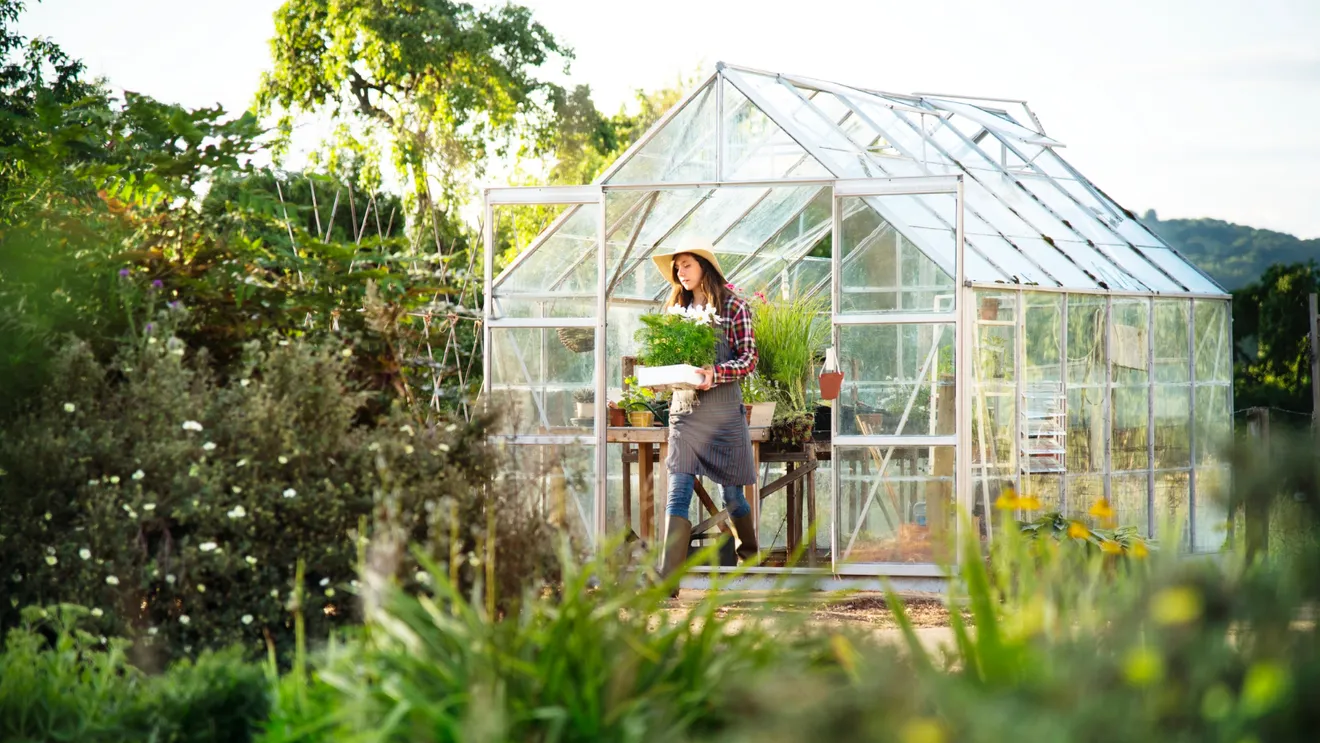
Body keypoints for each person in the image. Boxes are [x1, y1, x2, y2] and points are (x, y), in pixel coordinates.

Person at [649, 245, 759, 593]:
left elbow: (749, 358)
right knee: (678, 492)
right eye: (676, 267)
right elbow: (666, 356)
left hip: (724, 414)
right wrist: (661, 379)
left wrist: (717, 372)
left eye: (686, 264)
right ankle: (667, 581)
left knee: (732, 498)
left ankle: (750, 552)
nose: (680, 272)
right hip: (685, 414)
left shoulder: (733, 306)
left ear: (704, 266)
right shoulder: (675, 310)